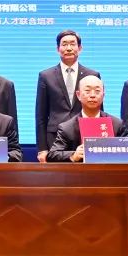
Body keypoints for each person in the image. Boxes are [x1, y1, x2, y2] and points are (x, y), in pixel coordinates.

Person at [34, 30, 100, 162]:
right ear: (58, 49)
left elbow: (98, 110)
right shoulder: (46, 76)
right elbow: (41, 115)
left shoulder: (92, 75)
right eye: (64, 44)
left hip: (85, 135)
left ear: (80, 48)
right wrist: (42, 148)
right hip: (55, 138)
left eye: (72, 44)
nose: (68, 48)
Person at [49, 75, 128, 162]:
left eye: (97, 91)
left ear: (103, 95)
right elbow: (52, 155)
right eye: (87, 91)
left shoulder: (117, 124)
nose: (92, 95)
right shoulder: (67, 128)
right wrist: (73, 155)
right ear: (78, 95)